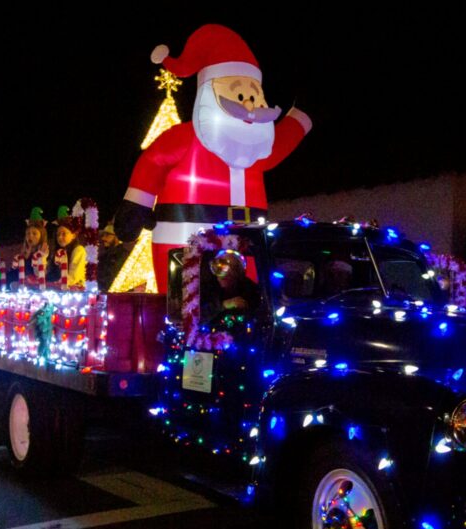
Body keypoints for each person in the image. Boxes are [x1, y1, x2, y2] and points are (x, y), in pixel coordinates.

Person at [114, 24, 312, 292]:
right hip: (184, 240)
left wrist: (302, 116)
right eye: (240, 95)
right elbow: (153, 161)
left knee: (248, 303)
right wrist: (137, 204)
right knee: (187, 310)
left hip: (249, 242)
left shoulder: (258, 147)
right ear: (210, 93)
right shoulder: (185, 138)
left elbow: (286, 137)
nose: (250, 105)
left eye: (254, 95)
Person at [204, 250, 261, 321]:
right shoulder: (207, 289)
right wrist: (224, 305)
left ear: (239, 272)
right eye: (221, 266)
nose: (227, 273)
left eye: (234, 268)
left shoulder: (250, 289)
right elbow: (197, 318)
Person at [49, 205, 86, 290]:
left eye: (63, 234)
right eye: (58, 235)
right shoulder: (57, 253)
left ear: (73, 235)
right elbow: (48, 272)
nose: (59, 237)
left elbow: (74, 276)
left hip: (75, 292)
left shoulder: (79, 250)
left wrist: (56, 284)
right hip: (59, 291)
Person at [97, 223, 132, 291]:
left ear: (116, 237)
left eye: (107, 235)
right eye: (103, 235)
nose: (103, 238)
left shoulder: (123, 255)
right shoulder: (104, 256)